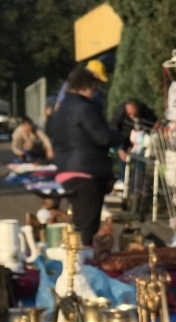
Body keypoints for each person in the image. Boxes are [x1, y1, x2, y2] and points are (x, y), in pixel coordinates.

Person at [48, 68, 125, 247]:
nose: (95, 92)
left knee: (78, 222)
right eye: (94, 88)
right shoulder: (85, 108)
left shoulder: (60, 109)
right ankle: (84, 259)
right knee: (87, 229)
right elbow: (102, 137)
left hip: (65, 170)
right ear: (87, 87)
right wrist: (121, 136)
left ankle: (76, 255)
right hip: (87, 171)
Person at [110, 98, 158, 163]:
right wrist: (118, 144)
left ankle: (140, 168)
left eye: (134, 113)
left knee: (141, 154)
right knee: (122, 151)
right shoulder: (120, 112)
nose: (132, 116)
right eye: (129, 114)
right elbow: (114, 126)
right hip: (125, 136)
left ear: (138, 108)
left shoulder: (145, 111)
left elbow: (153, 122)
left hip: (142, 137)